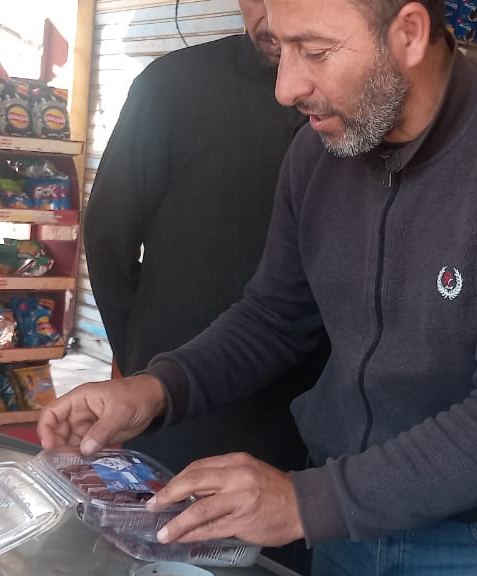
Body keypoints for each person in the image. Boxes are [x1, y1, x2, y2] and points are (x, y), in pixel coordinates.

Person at [43, 0, 477, 573]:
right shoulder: (317, 155)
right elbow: (273, 317)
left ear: (409, 34)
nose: (286, 89)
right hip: (345, 534)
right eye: (280, 49)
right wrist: (156, 388)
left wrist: (307, 502)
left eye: (314, 52)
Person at [82, 0, 325, 476]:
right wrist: (142, 364)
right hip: (183, 400)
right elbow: (109, 235)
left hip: (310, 413)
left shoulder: (357, 106)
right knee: (169, 516)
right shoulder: (171, 87)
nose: (272, 13)